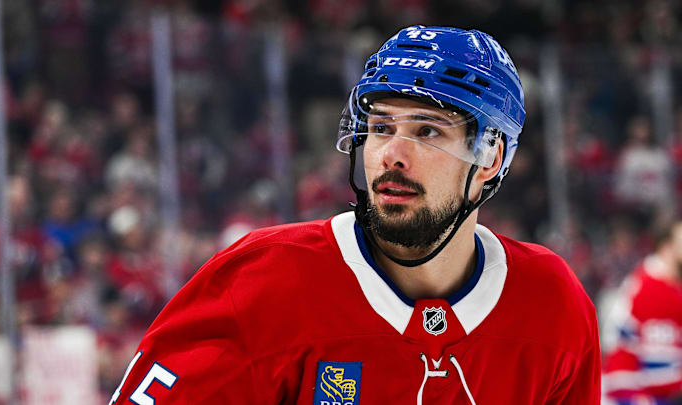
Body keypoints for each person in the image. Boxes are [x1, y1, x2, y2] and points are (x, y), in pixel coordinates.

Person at [109, 26, 600, 405]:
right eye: (380, 126)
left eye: (428, 132)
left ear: (490, 158)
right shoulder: (263, 282)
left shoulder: (552, 306)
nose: (391, 154)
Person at [601, 220, 682, 404]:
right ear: (666, 248)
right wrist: (631, 398)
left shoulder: (676, 286)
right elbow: (618, 348)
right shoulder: (640, 288)